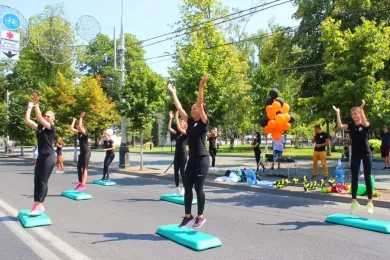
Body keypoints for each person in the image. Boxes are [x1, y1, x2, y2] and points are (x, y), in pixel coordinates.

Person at [167, 75, 209, 229]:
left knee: (198, 188)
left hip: (203, 158)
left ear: (201, 110)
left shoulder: (204, 122)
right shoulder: (190, 122)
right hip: (192, 159)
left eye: (195, 108)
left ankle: (200, 216)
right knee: (187, 185)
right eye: (191, 108)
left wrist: (201, 85)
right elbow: (179, 108)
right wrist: (173, 93)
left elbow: (200, 102)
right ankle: (187, 216)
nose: (192, 109)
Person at [333, 100, 374, 214]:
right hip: (355, 154)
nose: (354, 115)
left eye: (356, 113)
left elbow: (365, 123)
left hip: (366, 153)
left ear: (360, 114)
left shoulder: (364, 125)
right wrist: (338, 112)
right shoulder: (351, 126)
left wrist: (361, 108)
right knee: (354, 177)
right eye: (352, 114)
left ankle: (370, 202)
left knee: (367, 176)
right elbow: (340, 126)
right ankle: (354, 202)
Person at [24, 92, 56, 216]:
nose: (46, 117)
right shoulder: (40, 128)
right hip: (41, 156)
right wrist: (29, 107)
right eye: (45, 115)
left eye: (48, 116)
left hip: (49, 157)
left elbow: (38, 118)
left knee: (43, 180)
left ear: (52, 119)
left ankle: (41, 205)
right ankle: (36, 203)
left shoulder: (51, 128)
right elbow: (27, 120)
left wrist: (36, 103)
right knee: (36, 180)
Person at [168, 110, 188, 196]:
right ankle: (177, 188)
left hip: (183, 153)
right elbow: (169, 128)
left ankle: (184, 188)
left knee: (182, 171)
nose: (180, 123)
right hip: (177, 154)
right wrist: (171, 118)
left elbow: (179, 128)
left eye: (182, 123)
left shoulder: (186, 133)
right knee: (176, 171)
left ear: (185, 126)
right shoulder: (177, 133)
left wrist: (176, 116)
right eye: (179, 122)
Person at [69, 112, 91, 191]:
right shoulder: (79, 133)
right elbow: (71, 128)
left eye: (80, 125)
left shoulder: (85, 133)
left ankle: (83, 184)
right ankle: (80, 183)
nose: (78, 127)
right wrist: (74, 120)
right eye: (78, 126)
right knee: (78, 167)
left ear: (83, 126)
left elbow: (81, 129)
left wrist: (81, 117)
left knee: (85, 168)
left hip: (86, 152)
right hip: (82, 153)